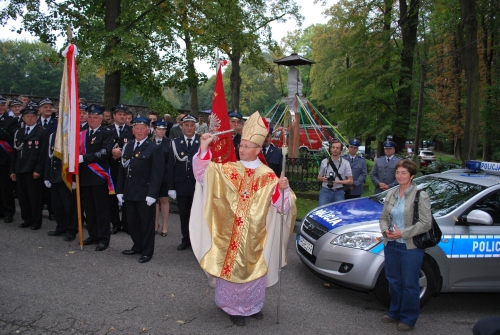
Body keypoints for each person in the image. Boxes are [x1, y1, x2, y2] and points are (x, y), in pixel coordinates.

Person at [190, 111, 296, 327]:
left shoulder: (268, 175)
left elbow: (281, 205)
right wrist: (203, 148)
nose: (242, 149)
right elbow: (203, 174)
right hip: (229, 233)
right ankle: (231, 307)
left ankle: (253, 306)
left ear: (258, 149)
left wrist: (283, 190)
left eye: (247, 146)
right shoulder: (229, 169)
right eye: (242, 145)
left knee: (254, 268)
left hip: (255, 235)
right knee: (231, 268)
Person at [379, 159, 432, 332]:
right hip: (392, 244)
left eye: (403, 173)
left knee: (409, 283)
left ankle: (408, 318)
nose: (399, 176)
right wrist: (386, 231)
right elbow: (383, 218)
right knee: (393, 281)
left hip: (410, 247)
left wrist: (403, 233)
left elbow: (425, 223)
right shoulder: (391, 194)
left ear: (412, 176)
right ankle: (394, 312)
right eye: (397, 172)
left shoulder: (420, 195)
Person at [117, 117, 164, 264]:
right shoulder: (128, 146)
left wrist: (153, 194)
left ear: (148, 130)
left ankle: (147, 251)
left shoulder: (154, 148)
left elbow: (157, 173)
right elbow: (122, 169)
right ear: (132, 130)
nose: (139, 131)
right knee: (131, 222)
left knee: (147, 224)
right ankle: (137, 245)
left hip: (145, 193)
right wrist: (120, 190)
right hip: (130, 191)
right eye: (136, 128)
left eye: (142, 128)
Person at [79, 104, 114, 251]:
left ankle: (103, 238)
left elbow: (105, 152)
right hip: (84, 177)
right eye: (90, 117)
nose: (92, 120)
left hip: (99, 176)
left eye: (95, 118)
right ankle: (93, 235)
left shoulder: (106, 132)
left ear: (101, 119)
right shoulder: (82, 132)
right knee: (89, 209)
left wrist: (84, 158)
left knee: (101, 210)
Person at [10, 105, 48, 230]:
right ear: (23, 118)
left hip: (33, 169)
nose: (30, 119)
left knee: (35, 197)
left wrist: (38, 170)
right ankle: (27, 219)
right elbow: (15, 153)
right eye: (27, 116)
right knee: (23, 196)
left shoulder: (42, 132)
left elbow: (43, 154)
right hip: (20, 168)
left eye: (32, 116)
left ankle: (36, 221)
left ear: (36, 118)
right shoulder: (19, 132)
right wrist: (13, 170)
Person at [167, 114, 199, 250]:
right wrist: (171, 187)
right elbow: (170, 166)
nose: (189, 128)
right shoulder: (175, 143)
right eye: (187, 125)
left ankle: (196, 241)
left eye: (192, 125)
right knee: (184, 214)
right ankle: (185, 239)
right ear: (182, 126)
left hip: (197, 186)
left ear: (195, 127)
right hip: (181, 185)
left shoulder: (200, 143)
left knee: (196, 215)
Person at [44, 131, 78, 241]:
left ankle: (71, 230)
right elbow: (50, 158)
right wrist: (47, 175)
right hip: (55, 175)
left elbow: (74, 157)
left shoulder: (72, 135)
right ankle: (61, 226)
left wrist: (74, 179)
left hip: (67, 176)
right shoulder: (53, 135)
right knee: (57, 205)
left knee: (70, 206)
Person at [108, 104, 134, 234]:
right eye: (119, 114)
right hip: (111, 167)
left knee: (126, 195)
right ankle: (115, 223)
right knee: (112, 197)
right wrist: (111, 153)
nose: (122, 116)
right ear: (114, 116)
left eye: (124, 114)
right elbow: (102, 147)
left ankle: (126, 223)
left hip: (126, 168)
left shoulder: (131, 130)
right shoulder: (107, 130)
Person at [37, 98, 57, 221]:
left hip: (51, 157)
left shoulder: (56, 123)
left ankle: (52, 211)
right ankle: (37, 211)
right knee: (38, 186)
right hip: (38, 157)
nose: (48, 109)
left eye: (50, 107)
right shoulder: (35, 121)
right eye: (45, 107)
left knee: (51, 187)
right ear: (39, 110)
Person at [317, 140, 353, 206]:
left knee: (338, 213)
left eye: (337, 148)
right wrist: (323, 179)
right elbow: (319, 177)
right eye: (333, 147)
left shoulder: (345, 163)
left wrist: (337, 182)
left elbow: (350, 181)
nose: (335, 149)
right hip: (326, 191)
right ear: (330, 149)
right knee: (322, 211)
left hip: (339, 192)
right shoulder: (324, 162)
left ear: (341, 150)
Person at [0, 95, 18, 223]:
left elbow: (10, 137)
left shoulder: (11, 120)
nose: (1, 107)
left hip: (4, 159)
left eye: (2, 105)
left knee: (6, 187)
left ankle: (9, 211)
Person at [152, 120, 170, 236]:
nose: (161, 131)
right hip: (152, 176)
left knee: (164, 200)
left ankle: (164, 225)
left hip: (165, 176)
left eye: (163, 129)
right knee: (154, 201)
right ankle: (154, 224)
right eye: (159, 129)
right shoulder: (149, 142)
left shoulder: (169, 143)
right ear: (154, 130)